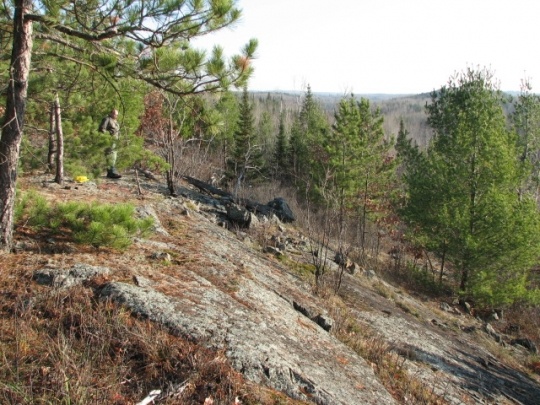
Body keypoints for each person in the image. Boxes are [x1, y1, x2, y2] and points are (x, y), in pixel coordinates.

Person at [98, 109, 122, 179]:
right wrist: (108, 135)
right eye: (114, 114)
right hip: (109, 140)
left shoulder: (116, 121)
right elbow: (102, 129)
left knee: (114, 156)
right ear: (111, 113)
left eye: (117, 114)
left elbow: (117, 131)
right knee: (110, 155)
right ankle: (112, 172)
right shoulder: (107, 119)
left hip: (115, 141)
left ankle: (110, 172)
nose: (116, 115)